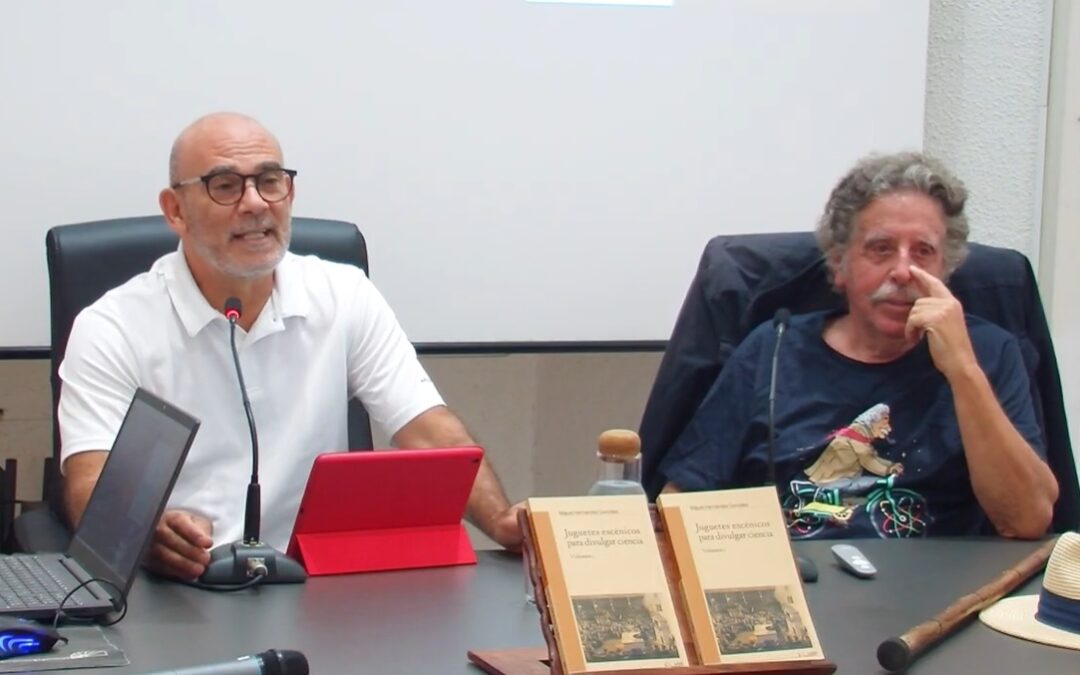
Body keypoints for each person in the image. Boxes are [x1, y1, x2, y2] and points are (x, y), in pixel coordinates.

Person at [59, 112, 524, 580]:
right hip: (181, 585)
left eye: (270, 181)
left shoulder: (344, 294)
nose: (255, 203)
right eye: (225, 186)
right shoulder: (112, 326)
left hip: (313, 582)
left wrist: (501, 521)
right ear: (175, 210)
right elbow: (91, 484)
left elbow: (430, 432)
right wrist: (150, 534)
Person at [658, 152, 1058, 540]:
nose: (903, 271)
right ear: (839, 264)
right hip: (799, 574)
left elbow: (1027, 520)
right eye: (881, 249)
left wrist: (962, 369)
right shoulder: (771, 349)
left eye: (923, 252)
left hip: (941, 582)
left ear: (946, 270)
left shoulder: (988, 353)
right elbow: (680, 501)